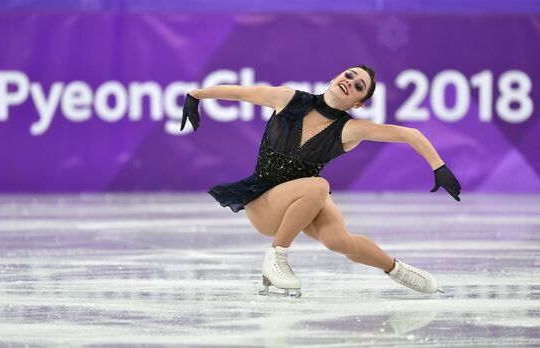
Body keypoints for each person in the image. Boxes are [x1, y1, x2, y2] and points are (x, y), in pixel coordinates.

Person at [181, 65, 461, 298]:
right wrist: (196, 94)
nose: (350, 82)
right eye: (349, 75)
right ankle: (276, 256)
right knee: (318, 185)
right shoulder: (289, 99)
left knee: (339, 240)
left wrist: (439, 167)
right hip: (264, 204)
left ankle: (397, 269)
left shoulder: (350, 130)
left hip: (304, 200)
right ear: (335, 77)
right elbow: (240, 92)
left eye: (359, 86)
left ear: (358, 103)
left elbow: (408, 134)